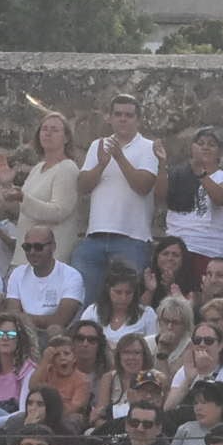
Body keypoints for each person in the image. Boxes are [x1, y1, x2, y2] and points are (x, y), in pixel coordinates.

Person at [72, 97, 161, 300]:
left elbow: (143, 186)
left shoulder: (148, 147)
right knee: (85, 300)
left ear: (138, 120)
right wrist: (101, 164)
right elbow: (83, 186)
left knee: (128, 302)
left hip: (132, 238)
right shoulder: (98, 145)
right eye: (118, 114)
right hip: (94, 236)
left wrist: (119, 157)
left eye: (129, 115)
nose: (123, 119)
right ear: (109, 118)